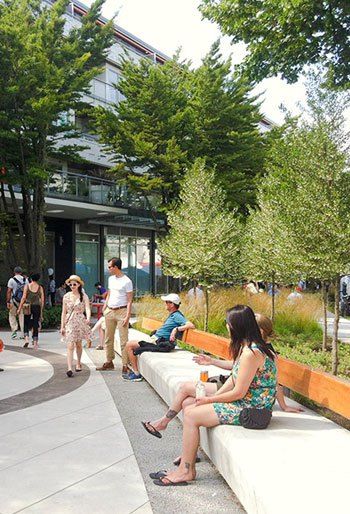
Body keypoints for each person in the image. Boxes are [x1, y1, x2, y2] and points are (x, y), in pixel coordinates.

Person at [149, 304, 277, 486]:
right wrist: (206, 400)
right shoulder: (250, 347)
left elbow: (238, 392)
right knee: (189, 405)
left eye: (228, 323)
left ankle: (186, 471)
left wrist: (209, 399)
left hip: (253, 411)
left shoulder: (251, 352)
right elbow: (233, 380)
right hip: (247, 403)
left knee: (192, 414)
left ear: (237, 326)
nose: (227, 326)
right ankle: (188, 460)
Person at [142, 312, 301, 442]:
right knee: (189, 400)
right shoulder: (253, 348)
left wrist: (212, 399)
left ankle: (166, 427)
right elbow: (240, 371)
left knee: (189, 398)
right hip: (237, 391)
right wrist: (211, 362)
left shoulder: (255, 351)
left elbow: (267, 383)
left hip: (247, 402)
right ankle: (184, 443)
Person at [124, 293, 195, 382]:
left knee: (129, 345)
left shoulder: (177, 315)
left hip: (158, 341)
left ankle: (136, 374)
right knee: (130, 344)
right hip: (156, 339)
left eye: (166, 302)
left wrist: (176, 329)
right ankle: (133, 370)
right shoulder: (173, 314)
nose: (165, 304)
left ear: (172, 304)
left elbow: (191, 325)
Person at [96, 258, 133, 375]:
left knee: (124, 340)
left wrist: (127, 316)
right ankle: (109, 361)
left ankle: (125, 364)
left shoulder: (127, 281)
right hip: (110, 311)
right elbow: (110, 294)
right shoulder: (111, 279)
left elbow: (129, 300)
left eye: (110, 267)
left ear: (116, 267)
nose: (108, 269)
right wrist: (105, 306)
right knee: (108, 338)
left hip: (122, 312)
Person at [60, 275, 91, 377]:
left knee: (78, 344)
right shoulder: (66, 296)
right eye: (70, 284)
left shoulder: (83, 296)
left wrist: (88, 318)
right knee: (70, 345)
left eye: (74, 284)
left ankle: (78, 362)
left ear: (78, 285)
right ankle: (69, 368)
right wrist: (62, 326)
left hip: (80, 321)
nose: (72, 286)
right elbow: (63, 312)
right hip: (69, 322)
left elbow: (87, 308)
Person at [17, 273, 45, 350]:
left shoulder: (27, 286)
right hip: (37, 307)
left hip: (27, 306)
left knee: (26, 322)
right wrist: (41, 311)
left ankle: (26, 339)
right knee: (35, 323)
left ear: (31, 279)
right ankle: (35, 343)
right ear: (38, 279)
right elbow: (42, 300)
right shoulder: (40, 287)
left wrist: (19, 308)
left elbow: (23, 297)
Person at [6, 266, 27, 339]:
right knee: (22, 316)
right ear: (21, 272)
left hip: (14, 301)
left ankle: (14, 330)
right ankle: (23, 333)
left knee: (12, 315)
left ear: (14, 272)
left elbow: (9, 291)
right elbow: (27, 291)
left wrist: (8, 301)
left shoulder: (11, 280)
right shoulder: (25, 280)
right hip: (23, 301)